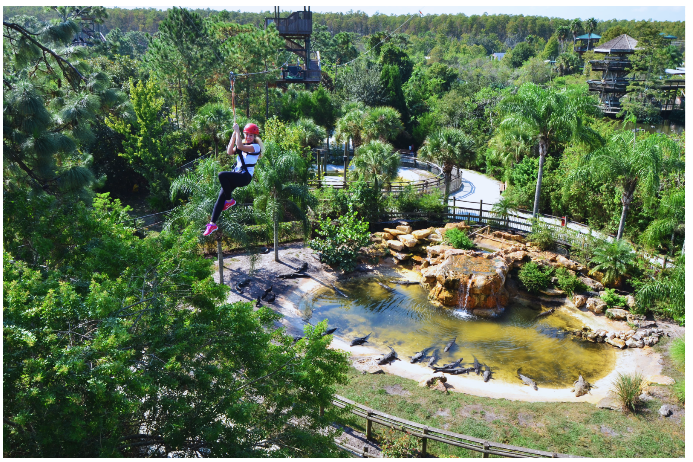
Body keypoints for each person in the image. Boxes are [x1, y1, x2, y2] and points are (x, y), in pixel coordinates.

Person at [203, 122, 263, 236]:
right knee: (221, 197)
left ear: (255, 137)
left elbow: (240, 147)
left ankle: (230, 201)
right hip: (237, 174)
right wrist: (234, 135)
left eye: (251, 135)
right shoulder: (243, 143)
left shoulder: (255, 147)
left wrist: (238, 132)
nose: (248, 137)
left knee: (222, 175)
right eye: (247, 134)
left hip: (245, 177)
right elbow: (229, 152)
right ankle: (212, 224)